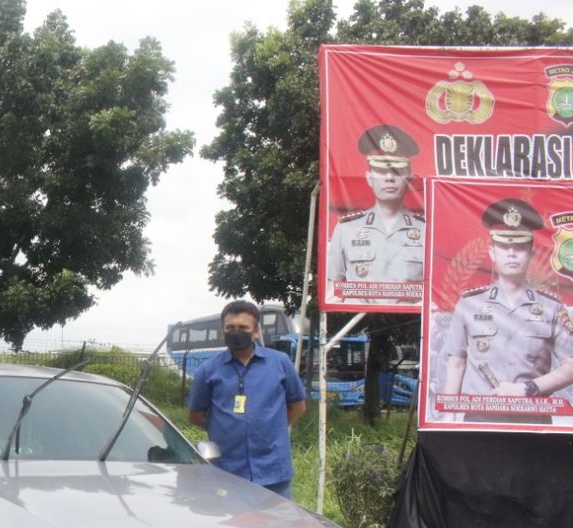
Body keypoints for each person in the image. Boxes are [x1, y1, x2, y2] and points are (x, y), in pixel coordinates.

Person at [440, 198, 573, 424]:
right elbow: (456, 362)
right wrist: (448, 416)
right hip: (480, 420)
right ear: (492, 253)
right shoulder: (469, 303)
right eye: (504, 246)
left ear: (531, 253)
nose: (511, 253)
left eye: (519, 247)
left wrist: (528, 388)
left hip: (533, 422)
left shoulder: (552, 308)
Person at [188, 300, 307, 499]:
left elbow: (297, 406)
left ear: (256, 331)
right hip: (227, 471)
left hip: (273, 471)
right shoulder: (208, 370)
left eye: (243, 327)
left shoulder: (280, 363)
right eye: (230, 327)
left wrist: (270, 426)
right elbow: (195, 415)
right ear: (222, 331)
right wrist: (224, 428)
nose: (236, 332)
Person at [327, 124, 425, 303]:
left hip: (411, 323)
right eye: (380, 170)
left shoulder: (428, 230)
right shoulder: (346, 229)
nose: (389, 177)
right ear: (369, 178)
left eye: (397, 171)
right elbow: (334, 289)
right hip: (356, 324)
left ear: (408, 178)